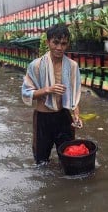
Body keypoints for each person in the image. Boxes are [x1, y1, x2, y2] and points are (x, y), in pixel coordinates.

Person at [21, 24, 82, 165]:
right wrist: (48, 89)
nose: (59, 48)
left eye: (63, 43)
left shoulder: (72, 66)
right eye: (55, 42)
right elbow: (26, 93)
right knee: (41, 161)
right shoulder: (35, 66)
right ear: (48, 42)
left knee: (69, 158)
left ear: (67, 45)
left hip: (64, 117)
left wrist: (76, 116)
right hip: (43, 118)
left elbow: (74, 97)